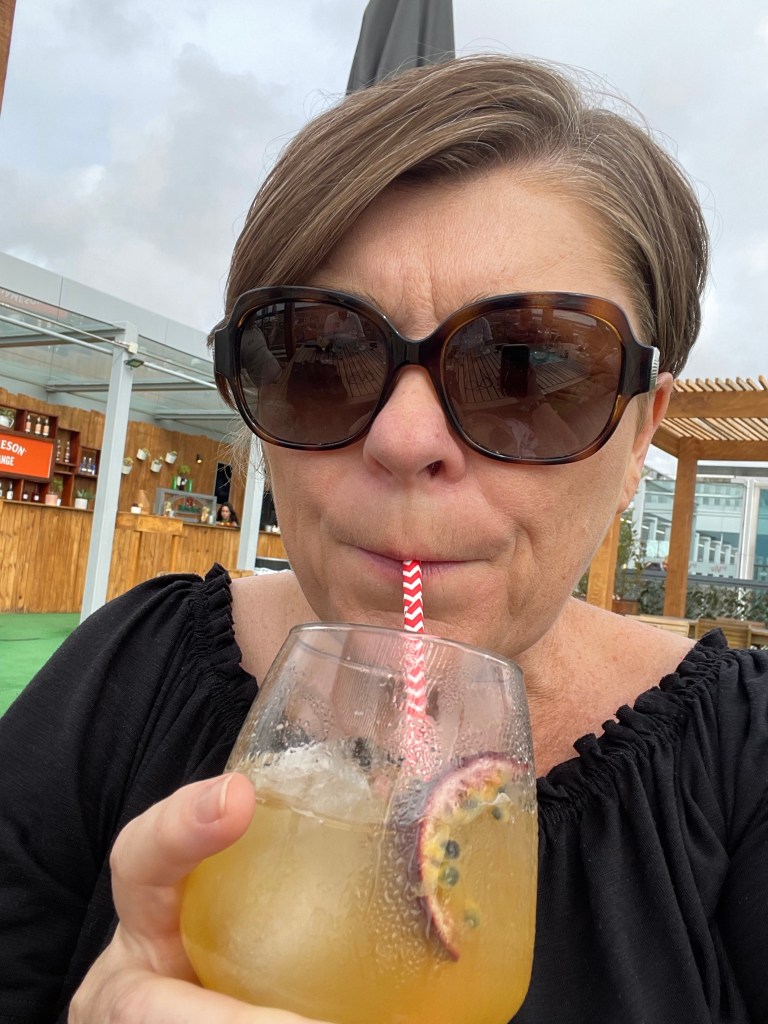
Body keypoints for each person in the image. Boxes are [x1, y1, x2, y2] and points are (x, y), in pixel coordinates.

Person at [0, 55, 765, 1024]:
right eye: (317, 356)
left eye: (526, 369)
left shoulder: (742, 766)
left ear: (640, 430)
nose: (404, 439)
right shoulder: (126, 674)